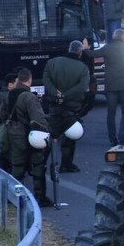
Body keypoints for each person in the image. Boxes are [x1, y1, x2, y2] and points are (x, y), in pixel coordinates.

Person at [8, 68, 54, 208]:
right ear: (29, 80)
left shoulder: (9, 95)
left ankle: (16, 198)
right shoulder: (29, 97)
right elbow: (39, 119)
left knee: (17, 168)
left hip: (13, 134)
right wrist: (48, 131)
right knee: (38, 166)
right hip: (27, 135)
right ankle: (40, 197)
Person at [43, 40, 89, 173]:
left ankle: (42, 163)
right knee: (70, 137)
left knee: (50, 135)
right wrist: (65, 95)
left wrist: (55, 93)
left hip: (54, 105)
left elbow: (46, 79)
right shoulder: (82, 68)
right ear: (80, 53)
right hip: (71, 107)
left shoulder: (52, 63)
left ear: (69, 49)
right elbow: (81, 87)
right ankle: (66, 164)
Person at [88, 29, 124, 147]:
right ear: (123, 37)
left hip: (111, 85)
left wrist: (85, 48)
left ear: (113, 37)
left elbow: (92, 54)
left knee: (111, 112)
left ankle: (112, 139)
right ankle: (122, 138)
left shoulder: (107, 48)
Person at [0, 72, 18, 174]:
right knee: (5, 160)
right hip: (5, 132)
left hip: (3, 131)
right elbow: (3, 115)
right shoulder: (5, 97)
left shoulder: (1, 95)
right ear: (10, 84)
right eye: (17, 82)